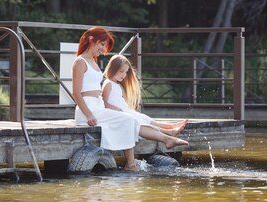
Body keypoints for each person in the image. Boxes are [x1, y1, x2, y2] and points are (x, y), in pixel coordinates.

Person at [72, 26, 188, 171]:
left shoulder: (93, 62)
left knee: (130, 119)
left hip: (98, 107)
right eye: (102, 44)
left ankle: (136, 160)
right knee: (128, 120)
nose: (103, 49)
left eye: (104, 46)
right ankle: (134, 162)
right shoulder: (80, 62)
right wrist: (88, 114)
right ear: (91, 40)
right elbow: (76, 93)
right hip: (87, 110)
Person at [102, 54, 188, 136]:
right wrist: (116, 109)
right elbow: (103, 103)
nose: (124, 75)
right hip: (117, 113)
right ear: (113, 69)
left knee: (144, 118)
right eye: (121, 71)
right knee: (140, 120)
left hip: (124, 111)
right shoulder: (108, 83)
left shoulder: (117, 85)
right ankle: (168, 132)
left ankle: (171, 126)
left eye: (126, 72)